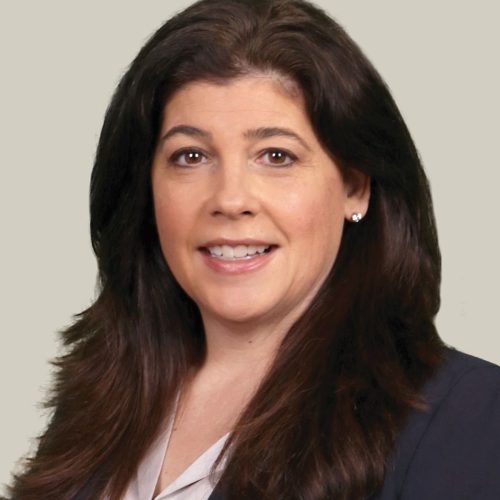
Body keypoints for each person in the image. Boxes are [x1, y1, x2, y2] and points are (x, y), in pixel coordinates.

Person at [5, 0, 500, 499]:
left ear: (354, 186)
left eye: (276, 156)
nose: (230, 199)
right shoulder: (96, 404)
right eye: (191, 156)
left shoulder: (471, 416)